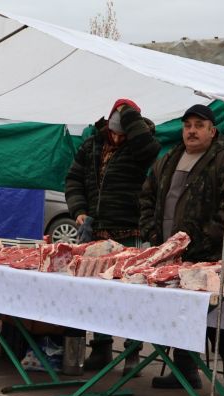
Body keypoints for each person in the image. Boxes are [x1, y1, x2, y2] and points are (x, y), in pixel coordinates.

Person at [139, 103, 224, 396]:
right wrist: (154, 235)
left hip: (208, 256)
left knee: (215, 314)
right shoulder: (168, 159)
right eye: (187, 124)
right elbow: (147, 197)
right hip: (169, 256)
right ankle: (185, 371)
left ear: (212, 131)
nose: (191, 130)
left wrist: (203, 239)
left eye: (199, 125)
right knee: (180, 312)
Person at [65, 98, 161, 376]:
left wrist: (130, 115)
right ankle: (102, 346)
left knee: (130, 294)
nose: (117, 137)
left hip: (130, 232)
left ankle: (132, 352)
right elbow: (74, 179)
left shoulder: (141, 145)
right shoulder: (92, 144)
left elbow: (149, 151)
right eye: (114, 131)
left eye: (123, 132)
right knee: (97, 293)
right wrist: (79, 210)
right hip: (96, 231)